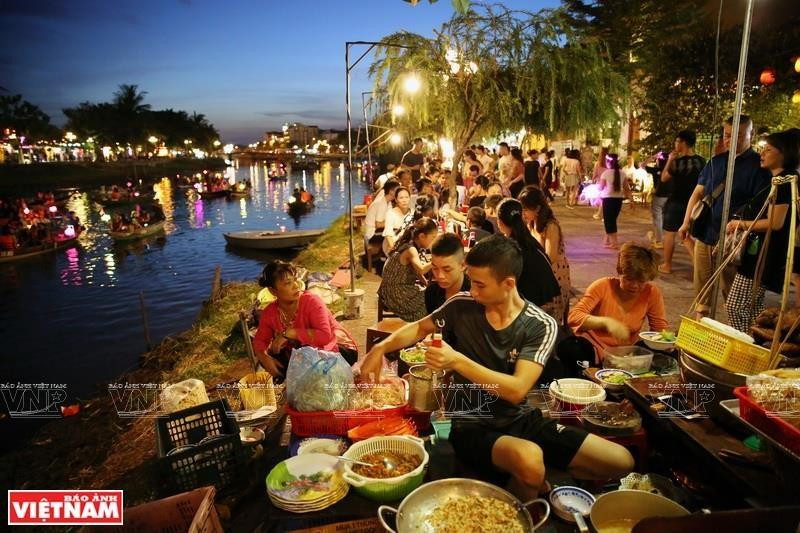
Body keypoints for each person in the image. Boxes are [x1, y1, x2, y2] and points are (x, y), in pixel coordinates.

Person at [360, 236, 634, 499]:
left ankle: (528, 479)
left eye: (480, 285)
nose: (473, 290)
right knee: (529, 460)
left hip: (519, 419)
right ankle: (527, 487)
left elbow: (517, 391)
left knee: (620, 460)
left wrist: (456, 360)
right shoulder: (461, 305)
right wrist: (379, 348)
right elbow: (420, 328)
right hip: (470, 420)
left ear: (508, 283)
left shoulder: (540, 325)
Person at [678, 116, 772, 319]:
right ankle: (701, 335)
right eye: (727, 135)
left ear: (751, 135)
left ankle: (732, 336)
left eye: (738, 135)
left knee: (733, 296)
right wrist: (686, 222)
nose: (731, 140)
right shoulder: (716, 162)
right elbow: (698, 193)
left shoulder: (760, 167)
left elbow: (761, 208)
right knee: (702, 293)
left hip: (734, 241)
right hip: (706, 234)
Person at [725, 130, 800, 331]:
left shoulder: (785, 182)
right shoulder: (777, 180)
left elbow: (775, 222)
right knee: (755, 310)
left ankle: (745, 343)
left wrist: (739, 224)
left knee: (734, 306)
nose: (762, 153)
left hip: (762, 257)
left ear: (784, 153)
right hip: (760, 254)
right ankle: (756, 343)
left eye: (768, 149)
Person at [253, 260, 358, 378]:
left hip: (336, 347)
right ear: (273, 291)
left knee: (304, 357)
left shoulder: (311, 301)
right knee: (274, 359)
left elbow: (324, 337)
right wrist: (265, 358)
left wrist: (288, 333)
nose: (296, 286)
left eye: (295, 280)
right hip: (303, 353)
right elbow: (259, 341)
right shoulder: (270, 312)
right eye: (288, 283)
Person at [568, 243, 668, 363]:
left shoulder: (652, 292)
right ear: (619, 272)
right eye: (629, 279)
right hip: (595, 346)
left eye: (641, 281)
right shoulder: (602, 286)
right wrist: (606, 322)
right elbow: (574, 317)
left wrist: (665, 343)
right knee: (571, 349)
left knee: (668, 355)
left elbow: (659, 328)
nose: (635, 286)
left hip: (627, 351)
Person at [496, 198, 561, 319]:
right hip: (551, 298)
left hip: (538, 307)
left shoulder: (512, 247)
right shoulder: (527, 239)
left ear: (499, 222)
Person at [519, 186, 571, 325]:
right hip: (540, 274)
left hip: (554, 275)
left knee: (551, 319)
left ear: (537, 208)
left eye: (525, 209)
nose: (522, 213)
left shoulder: (550, 226)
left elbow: (550, 257)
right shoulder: (530, 224)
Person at [659, 131, 705, 274]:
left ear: (683, 142)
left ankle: (667, 265)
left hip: (675, 202)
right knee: (689, 237)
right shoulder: (701, 162)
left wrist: (670, 160)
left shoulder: (677, 163)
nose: (675, 144)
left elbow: (664, 178)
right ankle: (699, 266)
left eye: (677, 141)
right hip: (694, 203)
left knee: (669, 234)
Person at [378, 218, 438, 322]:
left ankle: (427, 328)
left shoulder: (410, 245)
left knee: (431, 293)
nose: (433, 241)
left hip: (393, 289)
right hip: (396, 292)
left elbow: (417, 272)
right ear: (422, 236)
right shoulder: (411, 249)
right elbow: (421, 269)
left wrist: (426, 283)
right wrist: (436, 260)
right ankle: (422, 329)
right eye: (432, 238)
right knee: (431, 299)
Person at [424, 233, 471, 313]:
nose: (440, 276)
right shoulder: (431, 292)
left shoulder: (474, 294)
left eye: (447, 270)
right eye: (435, 268)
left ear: (462, 265)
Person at [598, 153, 631, 249]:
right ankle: (607, 239)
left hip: (608, 199)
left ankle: (614, 243)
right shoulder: (622, 173)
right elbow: (627, 188)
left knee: (609, 221)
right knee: (612, 220)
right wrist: (631, 200)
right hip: (618, 200)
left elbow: (600, 187)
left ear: (608, 162)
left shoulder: (606, 173)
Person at [364, 178, 400, 249]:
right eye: (397, 190)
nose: (399, 192)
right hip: (372, 234)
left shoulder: (388, 201)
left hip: (377, 231)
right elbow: (378, 224)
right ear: (391, 191)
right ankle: (387, 255)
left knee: (398, 231)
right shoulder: (381, 203)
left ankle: (385, 255)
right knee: (396, 234)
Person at [646, 152, 670, 249]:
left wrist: (651, 157)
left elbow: (642, 166)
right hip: (669, 197)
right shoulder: (671, 170)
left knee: (657, 219)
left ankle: (659, 240)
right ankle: (663, 239)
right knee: (664, 219)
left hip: (658, 196)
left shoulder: (656, 170)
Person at [382, 186, 412, 255]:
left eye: (406, 197)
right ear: (396, 200)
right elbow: (388, 234)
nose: (404, 200)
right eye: (401, 198)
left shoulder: (413, 212)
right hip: (393, 243)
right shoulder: (391, 213)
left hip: (408, 244)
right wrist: (394, 250)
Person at [591, 147, 609, 220]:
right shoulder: (609, 163)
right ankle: (601, 214)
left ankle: (599, 214)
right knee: (603, 200)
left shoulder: (597, 164)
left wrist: (592, 180)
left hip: (600, 183)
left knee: (601, 200)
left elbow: (595, 174)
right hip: (607, 183)